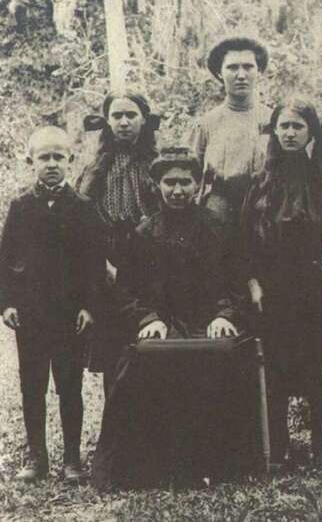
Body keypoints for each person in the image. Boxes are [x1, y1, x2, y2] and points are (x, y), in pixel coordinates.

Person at [92, 147, 244, 490]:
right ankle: (149, 466)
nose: (177, 190)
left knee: (215, 361)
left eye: (185, 182)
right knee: (138, 364)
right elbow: (127, 290)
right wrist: (147, 319)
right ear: (156, 185)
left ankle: (210, 463)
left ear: (198, 185)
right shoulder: (144, 233)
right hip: (162, 322)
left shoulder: (218, 228)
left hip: (207, 321)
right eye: (170, 183)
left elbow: (236, 282)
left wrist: (224, 315)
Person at [240, 97, 322, 467]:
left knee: (319, 363)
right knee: (276, 364)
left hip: (319, 289)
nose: (290, 133)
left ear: (311, 132)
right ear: (274, 132)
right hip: (274, 290)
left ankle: (321, 441)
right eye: (284, 126)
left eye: (298, 126)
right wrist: (253, 283)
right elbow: (245, 241)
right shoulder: (260, 184)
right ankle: (279, 444)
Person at [0, 126, 103, 482]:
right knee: (32, 386)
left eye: (59, 157)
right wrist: (7, 303)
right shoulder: (21, 206)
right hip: (31, 316)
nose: (52, 164)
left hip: (70, 316)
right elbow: (6, 258)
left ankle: (72, 459)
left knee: (70, 386)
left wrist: (89, 306)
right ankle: (36, 458)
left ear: (70, 159)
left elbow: (93, 264)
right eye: (44, 157)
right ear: (31, 161)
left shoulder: (83, 207)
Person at [75, 91, 160, 389]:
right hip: (108, 265)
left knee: (148, 340)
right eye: (117, 116)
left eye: (131, 115)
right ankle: (115, 412)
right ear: (108, 121)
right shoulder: (94, 169)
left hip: (149, 262)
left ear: (144, 120)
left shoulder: (157, 166)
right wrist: (103, 263)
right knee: (113, 349)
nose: (124, 122)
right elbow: (82, 222)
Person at [189, 36, 272, 223]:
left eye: (248, 67)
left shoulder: (275, 121)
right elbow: (190, 174)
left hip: (264, 213)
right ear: (220, 73)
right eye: (232, 68)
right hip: (218, 216)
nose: (241, 75)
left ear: (259, 72)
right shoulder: (206, 124)